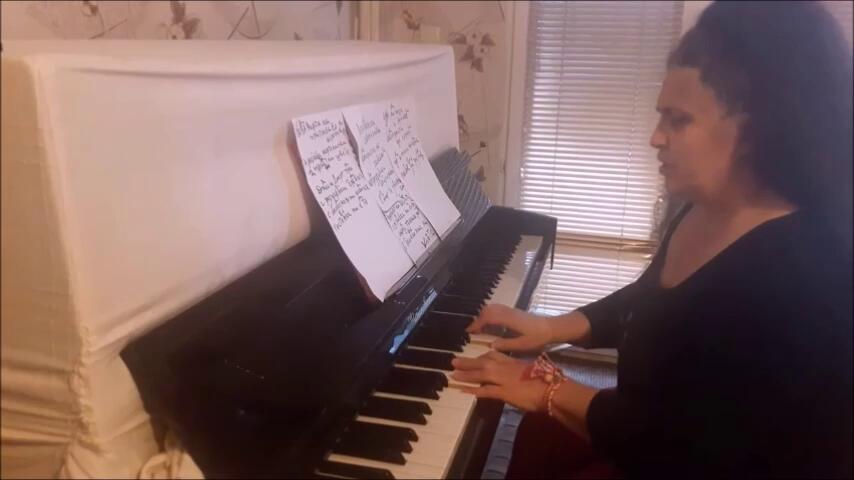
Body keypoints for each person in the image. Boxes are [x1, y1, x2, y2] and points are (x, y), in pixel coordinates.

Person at [451, 1, 853, 477]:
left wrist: (549, 389)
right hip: (650, 433)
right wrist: (550, 328)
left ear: (758, 129)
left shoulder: (807, 277)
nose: (656, 138)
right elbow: (652, 301)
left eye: (678, 120)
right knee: (537, 437)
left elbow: (685, 444)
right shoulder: (706, 206)